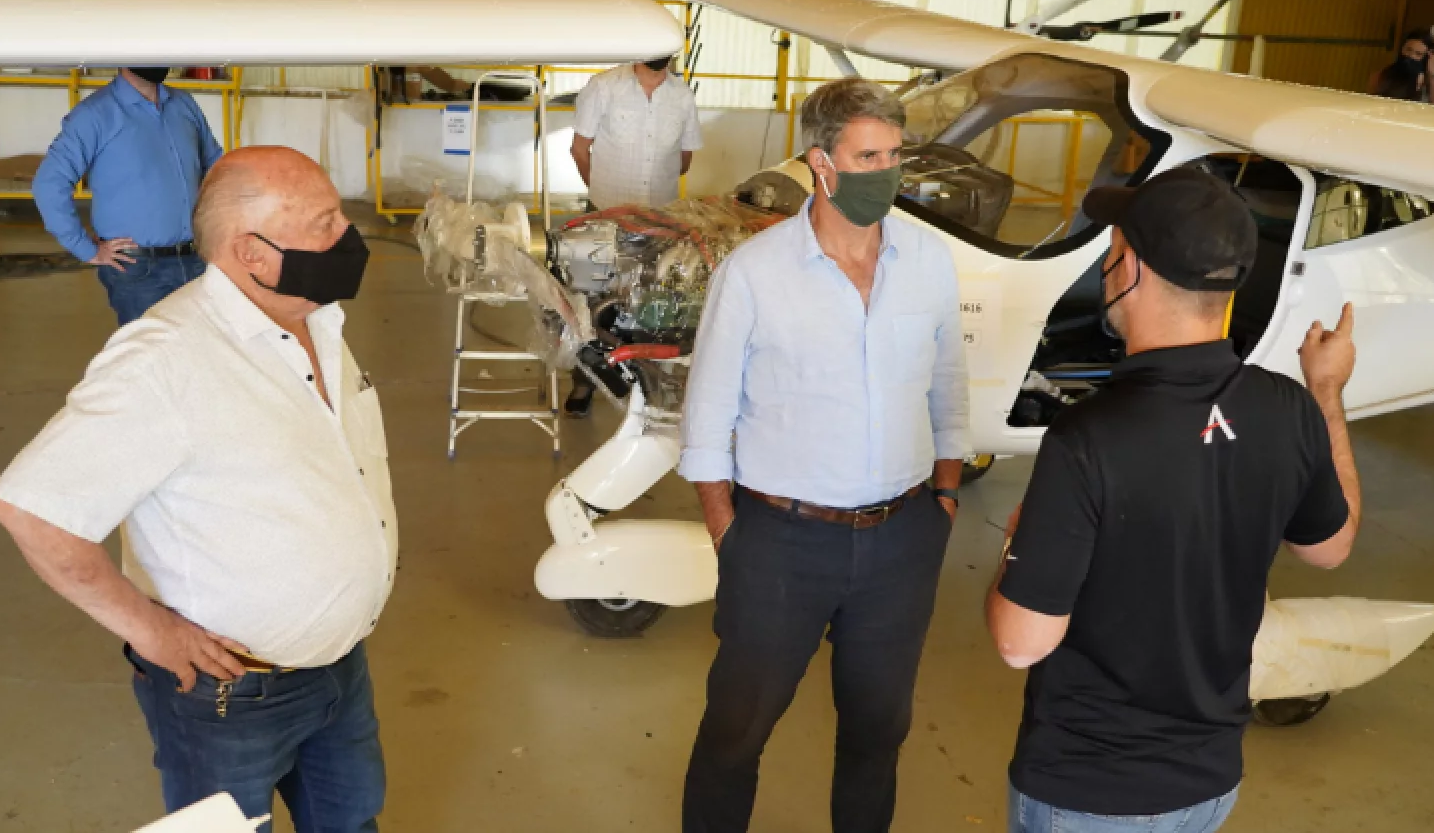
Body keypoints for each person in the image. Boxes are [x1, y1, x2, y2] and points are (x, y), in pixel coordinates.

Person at [0, 146, 395, 833]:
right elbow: (31, 509)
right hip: (230, 695)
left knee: (350, 822)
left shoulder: (314, 321)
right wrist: (151, 631)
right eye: (323, 222)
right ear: (252, 253)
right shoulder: (165, 360)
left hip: (339, 669)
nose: (347, 234)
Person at [985, 168, 1361, 833]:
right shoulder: (1289, 407)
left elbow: (1020, 643)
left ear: (1131, 268)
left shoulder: (1088, 437)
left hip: (1088, 790)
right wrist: (1326, 391)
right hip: (1208, 785)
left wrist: (1018, 539)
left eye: (1114, 248)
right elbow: (1330, 548)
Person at [677, 78, 970, 833]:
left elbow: (948, 390)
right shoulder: (755, 273)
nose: (888, 172)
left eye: (896, 155)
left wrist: (944, 499)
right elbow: (706, 421)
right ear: (821, 162)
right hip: (781, 541)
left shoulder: (928, 261)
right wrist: (730, 532)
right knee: (736, 731)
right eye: (869, 156)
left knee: (878, 732)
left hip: (902, 538)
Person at [563, 54, 704, 416]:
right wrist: (602, 196)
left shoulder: (682, 96)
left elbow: (684, 159)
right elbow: (579, 149)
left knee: (653, 300)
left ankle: (646, 382)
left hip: (660, 220)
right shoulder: (604, 87)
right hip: (607, 215)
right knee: (593, 300)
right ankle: (584, 382)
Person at [33, 67, 224, 326]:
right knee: (150, 349)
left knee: (200, 345)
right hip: (138, 268)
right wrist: (85, 249)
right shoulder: (94, 114)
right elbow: (49, 183)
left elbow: (216, 168)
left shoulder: (183, 104)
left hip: (197, 258)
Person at [1368, 29, 1434, 101]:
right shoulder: (1381, 75)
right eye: (1408, 50)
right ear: (1402, 49)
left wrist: (1431, 71)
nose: (1411, 56)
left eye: (1418, 54)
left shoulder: (1429, 83)